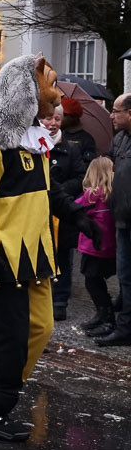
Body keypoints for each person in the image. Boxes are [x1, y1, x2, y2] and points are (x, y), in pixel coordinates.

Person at [0, 54, 101, 440]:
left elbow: (47, 191)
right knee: (9, 341)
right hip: (3, 258)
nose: (56, 92)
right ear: (25, 87)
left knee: (40, 329)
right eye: (50, 83)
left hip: (36, 256)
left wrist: (76, 215)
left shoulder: (33, 142)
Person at [44, 103, 89, 320]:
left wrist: (59, 191)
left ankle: (60, 300)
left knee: (63, 256)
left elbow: (81, 178)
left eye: (57, 120)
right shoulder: (33, 146)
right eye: (48, 119)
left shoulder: (70, 148)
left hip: (62, 213)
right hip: (39, 212)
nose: (53, 124)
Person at [98, 93, 131, 347]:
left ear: (129, 113)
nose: (111, 115)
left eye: (116, 111)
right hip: (121, 219)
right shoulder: (120, 139)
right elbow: (107, 165)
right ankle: (124, 326)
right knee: (124, 275)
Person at [76, 157, 117, 338]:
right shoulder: (112, 194)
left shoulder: (92, 194)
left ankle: (106, 316)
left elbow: (74, 208)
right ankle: (103, 315)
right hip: (109, 247)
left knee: (92, 282)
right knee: (98, 281)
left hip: (93, 247)